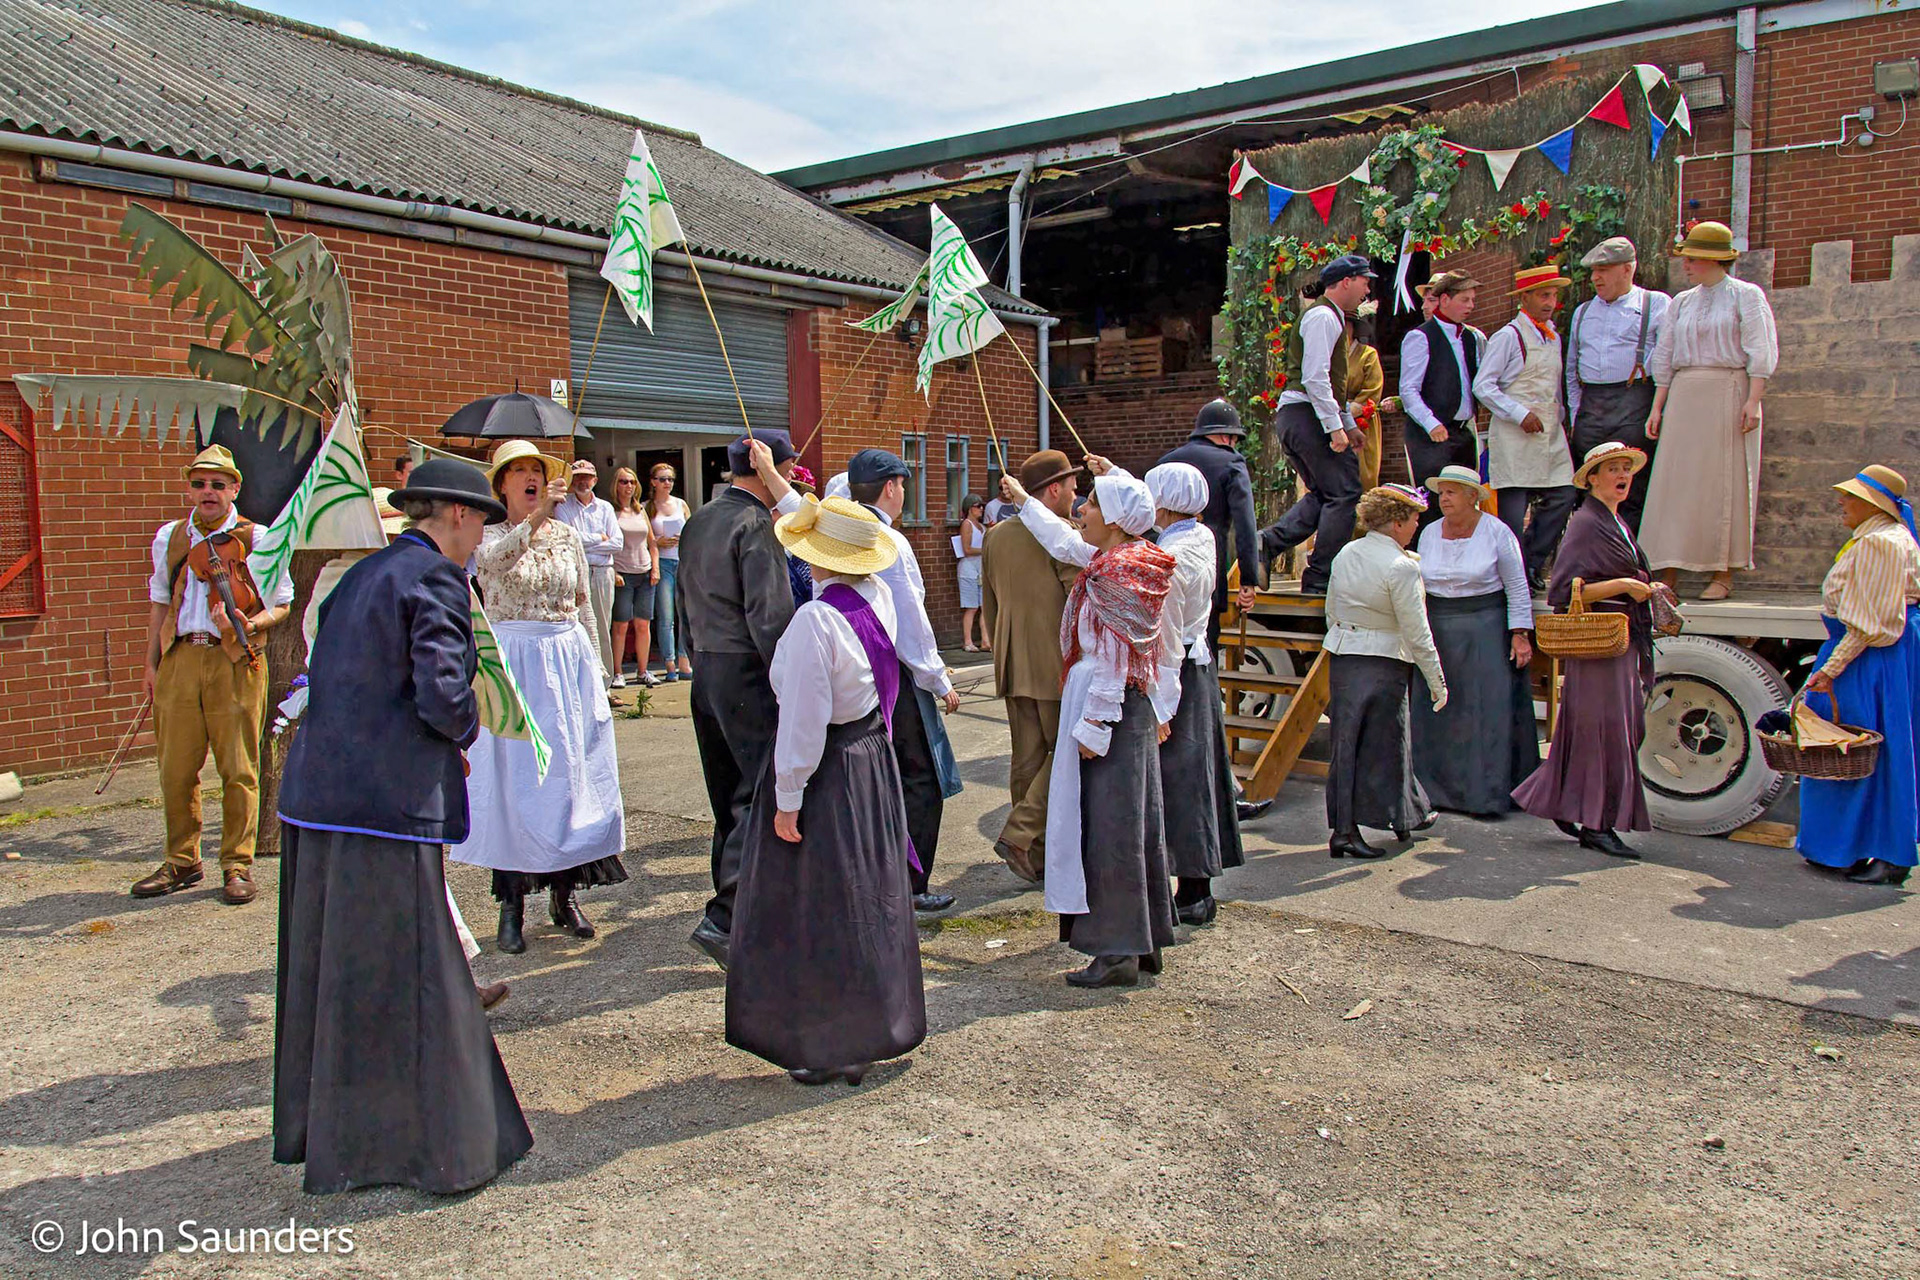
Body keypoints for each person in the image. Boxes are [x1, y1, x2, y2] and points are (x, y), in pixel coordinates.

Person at [274, 456, 531, 1194]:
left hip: (320, 796)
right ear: (455, 514)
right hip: (386, 807)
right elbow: (445, 696)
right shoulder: (434, 579)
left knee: (340, 973)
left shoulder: (362, 574)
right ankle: (425, 1143)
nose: (482, 535)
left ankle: (348, 1135)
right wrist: (463, 734)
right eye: (481, 520)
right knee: (411, 973)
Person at [726, 496, 926, 1086]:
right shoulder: (877, 597)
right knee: (866, 895)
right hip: (870, 758)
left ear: (816, 559)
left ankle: (833, 1040)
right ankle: (870, 1027)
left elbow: (805, 720)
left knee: (821, 904)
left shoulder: (817, 620)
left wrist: (788, 798)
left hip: (831, 769)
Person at [1001, 462, 1178, 989]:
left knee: (1111, 829)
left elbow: (1114, 658)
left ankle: (1118, 949)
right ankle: (1138, 942)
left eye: (1094, 505)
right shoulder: (1116, 560)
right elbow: (1063, 543)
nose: (1083, 511)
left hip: (1111, 711)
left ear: (1119, 520)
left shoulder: (1120, 572)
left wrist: (1095, 727)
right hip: (1124, 709)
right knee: (1126, 823)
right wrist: (1023, 500)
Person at [452, 439, 628, 950]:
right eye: (519, 472)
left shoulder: (570, 537)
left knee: (570, 777)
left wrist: (598, 668)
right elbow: (491, 568)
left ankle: (564, 893)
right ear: (502, 484)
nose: (530, 478)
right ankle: (511, 904)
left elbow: (583, 606)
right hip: (516, 662)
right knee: (517, 781)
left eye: (536, 469)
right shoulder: (489, 535)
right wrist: (533, 521)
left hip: (566, 657)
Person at [130, 444, 294, 906]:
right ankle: (182, 859)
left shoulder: (258, 536)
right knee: (176, 767)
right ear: (189, 488)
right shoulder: (170, 537)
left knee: (238, 767)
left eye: (217, 484)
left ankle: (236, 864)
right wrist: (151, 663)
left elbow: (281, 602)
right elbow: (160, 601)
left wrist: (250, 624)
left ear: (234, 489)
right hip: (183, 655)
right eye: (200, 483)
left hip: (235, 659)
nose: (208, 492)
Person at [676, 432, 803, 968]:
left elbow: (682, 600)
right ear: (769, 467)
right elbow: (769, 616)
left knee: (727, 791)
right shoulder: (757, 525)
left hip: (706, 666)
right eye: (789, 466)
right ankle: (726, 915)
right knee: (759, 791)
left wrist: (694, 658)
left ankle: (737, 906)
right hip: (747, 668)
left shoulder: (700, 518)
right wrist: (790, 679)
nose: (793, 475)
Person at [1512, 442, 1658, 859]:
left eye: (1626, 468)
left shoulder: (1615, 521)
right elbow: (1563, 589)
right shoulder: (1585, 522)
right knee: (1603, 733)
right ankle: (1596, 822)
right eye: (1612, 468)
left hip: (1620, 641)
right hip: (1599, 645)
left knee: (1615, 729)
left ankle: (1568, 803)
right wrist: (1624, 586)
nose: (1622, 474)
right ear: (1591, 478)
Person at [846, 448, 965, 914]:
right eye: (903, 485)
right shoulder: (889, 539)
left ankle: (875, 879)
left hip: (855, 672)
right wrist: (937, 678)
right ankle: (911, 884)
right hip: (895, 672)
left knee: (874, 778)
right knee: (921, 781)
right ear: (892, 487)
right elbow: (909, 616)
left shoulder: (842, 530)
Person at [1642, 220, 1780, 601]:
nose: (1686, 266)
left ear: (1711, 259)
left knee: (1723, 482)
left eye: (1693, 259)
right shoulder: (1682, 302)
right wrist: (1658, 407)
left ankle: (1723, 571)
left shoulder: (1745, 296)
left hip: (1727, 390)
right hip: (1685, 394)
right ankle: (1668, 569)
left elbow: (1760, 349)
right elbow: (1666, 355)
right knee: (1676, 483)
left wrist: (1753, 400)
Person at [1796, 466, 1920, 886]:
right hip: (1878, 653)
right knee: (1872, 747)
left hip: (1868, 658)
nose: (1840, 504)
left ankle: (1879, 851)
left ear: (1870, 503)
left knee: (1851, 745)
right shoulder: (1881, 539)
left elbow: (1868, 624)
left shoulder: (1879, 544)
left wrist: (1830, 670)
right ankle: (1854, 848)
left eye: (1848, 498)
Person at [1322, 485, 1446, 859]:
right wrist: (1436, 679)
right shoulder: (1402, 566)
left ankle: (1352, 826)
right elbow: (1417, 630)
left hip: (1345, 654)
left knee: (1346, 746)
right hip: (1384, 659)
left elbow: (1332, 607)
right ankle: (1391, 816)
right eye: (1413, 520)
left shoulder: (1347, 553)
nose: (1416, 527)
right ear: (1396, 522)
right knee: (1388, 745)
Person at [1144, 460, 1242, 925]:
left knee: (1182, 781)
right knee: (1196, 774)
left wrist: (1161, 705)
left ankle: (1194, 888)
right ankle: (1197, 884)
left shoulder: (1171, 558)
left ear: (1162, 504)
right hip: (1197, 667)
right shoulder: (1201, 536)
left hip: (1177, 670)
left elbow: (1166, 641)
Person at [980, 450, 1084, 883]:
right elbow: (1079, 605)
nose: (1077, 496)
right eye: (1072, 487)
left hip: (1012, 659)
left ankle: (1033, 854)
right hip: (1055, 663)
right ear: (1053, 490)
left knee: (1025, 759)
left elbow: (990, 603)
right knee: (1066, 755)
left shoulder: (995, 535)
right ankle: (1022, 836)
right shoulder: (1058, 534)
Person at [1411, 466, 1538, 818]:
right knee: (1439, 707)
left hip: (1485, 624)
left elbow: (1516, 585)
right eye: (1442, 492)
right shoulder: (1429, 532)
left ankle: (1484, 794)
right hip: (1438, 625)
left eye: (1452, 492)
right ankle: (1433, 790)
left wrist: (1520, 634)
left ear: (1472, 497)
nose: (1444, 499)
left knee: (1484, 710)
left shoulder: (1498, 532)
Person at [1261, 254, 1377, 593]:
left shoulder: (1329, 316)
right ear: (1346, 281)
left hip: (1301, 416)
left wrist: (1345, 422)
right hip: (1305, 415)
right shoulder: (1324, 316)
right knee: (1345, 493)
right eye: (1364, 281)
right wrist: (1334, 427)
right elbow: (1315, 378)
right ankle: (1320, 578)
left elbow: (1327, 382)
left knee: (1328, 492)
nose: (1367, 289)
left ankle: (1268, 544)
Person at [1472, 266, 1577, 588]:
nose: (1550, 302)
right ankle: (1513, 575)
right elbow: (1484, 385)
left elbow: (1553, 384)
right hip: (1516, 432)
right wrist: (1518, 413)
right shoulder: (1508, 336)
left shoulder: (1552, 336)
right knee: (1513, 510)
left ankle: (1532, 561)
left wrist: (1559, 418)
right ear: (1525, 298)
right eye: (1544, 295)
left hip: (1549, 429)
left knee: (1564, 492)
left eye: (1554, 295)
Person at [1565, 236, 1668, 534]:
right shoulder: (1583, 312)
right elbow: (1572, 370)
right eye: (1594, 271)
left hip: (1634, 400)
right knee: (1590, 486)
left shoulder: (1655, 303)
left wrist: (1658, 410)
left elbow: (1665, 363)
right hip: (1592, 406)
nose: (1595, 277)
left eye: (1604, 270)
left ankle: (1627, 559)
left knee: (1632, 488)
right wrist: (1576, 415)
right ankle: (1594, 557)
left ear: (1627, 269)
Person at [1156, 400, 1260, 646]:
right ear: (1227, 437)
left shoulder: (1167, 461)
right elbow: (1246, 524)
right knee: (1204, 643)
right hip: (1208, 560)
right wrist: (1248, 579)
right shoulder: (1231, 462)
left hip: (1164, 557)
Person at [1399, 271, 1485, 530]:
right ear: (1444, 300)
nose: (1471, 306)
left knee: (1466, 499)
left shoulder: (1473, 338)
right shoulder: (1420, 337)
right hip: (1430, 436)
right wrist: (1431, 423)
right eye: (1464, 299)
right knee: (1435, 503)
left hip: (1463, 432)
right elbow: (1409, 390)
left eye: (1472, 300)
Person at [555, 458, 623, 685]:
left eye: (586, 476)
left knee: (602, 627)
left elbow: (617, 543)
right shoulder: (563, 506)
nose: (582, 481)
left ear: (595, 479)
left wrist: (586, 542)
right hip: (575, 572)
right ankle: (582, 682)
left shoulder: (605, 508)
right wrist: (598, 538)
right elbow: (569, 538)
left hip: (603, 572)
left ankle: (605, 685)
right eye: (578, 476)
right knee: (577, 625)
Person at [609, 466, 659, 689]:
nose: (628, 486)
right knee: (620, 625)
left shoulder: (641, 510)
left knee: (642, 624)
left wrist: (655, 568)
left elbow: (652, 543)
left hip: (644, 571)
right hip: (623, 573)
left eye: (631, 482)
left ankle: (643, 670)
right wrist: (614, 572)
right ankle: (617, 672)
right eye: (623, 482)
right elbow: (607, 545)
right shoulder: (611, 511)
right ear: (616, 485)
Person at [646, 463, 694, 683]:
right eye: (663, 479)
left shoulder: (681, 504)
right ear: (653, 482)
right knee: (666, 617)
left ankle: (684, 660)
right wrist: (658, 541)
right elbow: (642, 540)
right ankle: (669, 663)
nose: (667, 483)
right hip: (662, 562)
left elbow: (693, 531)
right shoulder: (647, 507)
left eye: (671, 479)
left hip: (682, 561)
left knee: (685, 614)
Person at [1347, 300, 1386, 491]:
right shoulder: (1328, 356)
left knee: (1363, 478)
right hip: (1331, 421)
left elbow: (1372, 391)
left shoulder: (1367, 355)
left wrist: (1347, 412)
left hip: (1362, 420)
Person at [955, 493, 988, 651]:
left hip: (981, 569)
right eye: (978, 506)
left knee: (984, 606)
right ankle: (968, 641)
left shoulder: (982, 526)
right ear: (969, 508)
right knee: (972, 607)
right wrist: (985, 550)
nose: (981, 509)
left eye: (982, 506)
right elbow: (967, 549)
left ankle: (985, 641)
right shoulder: (967, 524)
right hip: (968, 569)